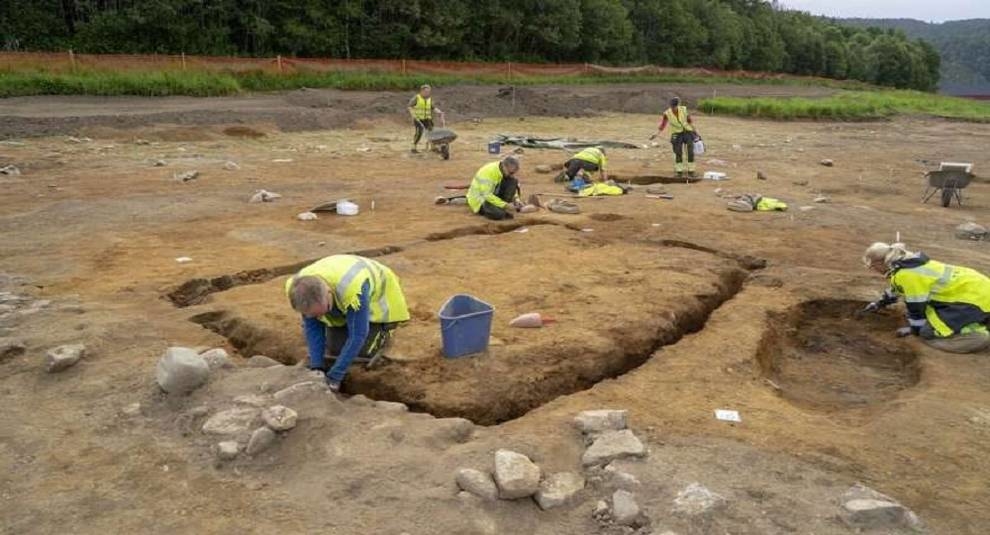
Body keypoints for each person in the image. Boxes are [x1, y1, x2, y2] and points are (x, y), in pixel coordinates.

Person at [285, 255, 410, 391]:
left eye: (322, 311)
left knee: (360, 355)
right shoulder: (296, 289)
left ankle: (384, 332)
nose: (320, 317)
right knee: (335, 352)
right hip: (339, 293)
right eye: (315, 314)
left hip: (378, 300)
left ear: (328, 293)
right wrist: (317, 367)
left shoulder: (353, 289)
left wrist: (335, 376)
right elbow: (312, 326)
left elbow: (358, 335)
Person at [862, 242, 990, 354]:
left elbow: (916, 308)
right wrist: (879, 303)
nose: (874, 270)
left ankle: (975, 335)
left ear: (880, 263)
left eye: (872, 267)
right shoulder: (909, 262)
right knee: (928, 319)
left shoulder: (906, 274)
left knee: (927, 333)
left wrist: (915, 330)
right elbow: (899, 288)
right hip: (977, 289)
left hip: (974, 300)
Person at [467, 156, 523, 220]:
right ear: (504, 166)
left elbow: (511, 187)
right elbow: (487, 195)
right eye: (511, 173)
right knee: (498, 214)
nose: (512, 175)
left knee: (513, 181)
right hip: (481, 200)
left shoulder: (503, 170)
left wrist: (516, 199)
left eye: (514, 173)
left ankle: (501, 207)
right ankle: (496, 210)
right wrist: (505, 205)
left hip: (493, 195)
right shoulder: (489, 173)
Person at [657, 96, 698, 178]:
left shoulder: (683, 109)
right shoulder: (667, 113)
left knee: (690, 151)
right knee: (678, 152)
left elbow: (689, 121)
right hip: (677, 134)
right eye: (672, 107)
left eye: (675, 106)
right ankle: (679, 171)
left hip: (687, 132)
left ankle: (691, 171)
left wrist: (695, 132)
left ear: (678, 105)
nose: (673, 108)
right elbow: (663, 124)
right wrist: (657, 133)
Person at [408, 84, 444, 153]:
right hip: (418, 119)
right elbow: (410, 106)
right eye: (426, 91)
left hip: (427, 118)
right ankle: (413, 147)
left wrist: (439, 112)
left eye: (428, 91)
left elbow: (433, 108)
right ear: (421, 91)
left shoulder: (429, 99)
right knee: (419, 132)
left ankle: (433, 147)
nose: (427, 93)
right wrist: (413, 115)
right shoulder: (417, 98)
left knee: (431, 132)